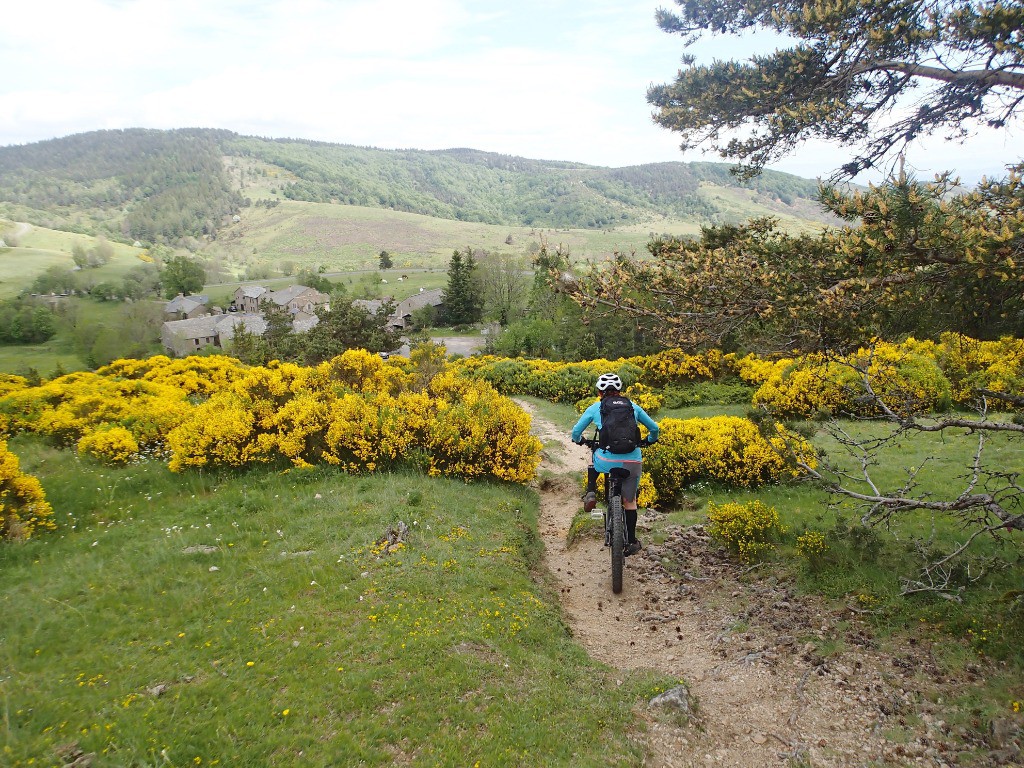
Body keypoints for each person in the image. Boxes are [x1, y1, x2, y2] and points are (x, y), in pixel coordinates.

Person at [571, 373, 659, 556]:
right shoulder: (633, 407)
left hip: (606, 461)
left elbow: (576, 432)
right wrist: (649, 441)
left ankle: (591, 491)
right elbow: (655, 429)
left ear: (599, 392)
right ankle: (632, 541)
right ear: (619, 391)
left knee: (593, 454)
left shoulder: (596, 407)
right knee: (630, 501)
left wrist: (580, 441)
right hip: (632, 461)